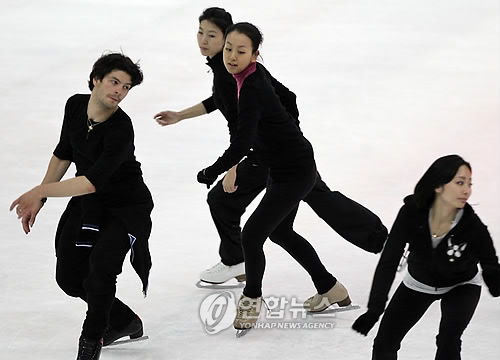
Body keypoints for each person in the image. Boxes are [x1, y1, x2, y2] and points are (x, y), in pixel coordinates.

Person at [154, 7, 388, 287]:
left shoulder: (230, 73)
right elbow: (231, 100)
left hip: (268, 157)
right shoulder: (233, 70)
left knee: (223, 201)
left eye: (212, 35)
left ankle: (235, 262)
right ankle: (380, 244)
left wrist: (235, 165)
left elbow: (238, 125)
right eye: (200, 32)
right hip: (286, 153)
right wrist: (181, 115)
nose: (203, 40)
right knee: (315, 203)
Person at [194, 21, 358, 329]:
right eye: (229, 48)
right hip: (283, 165)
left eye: (241, 51)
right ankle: (330, 287)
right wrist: (286, 134)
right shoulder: (250, 77)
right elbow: (290, 97)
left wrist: (213, 171)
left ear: (254, 55)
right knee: (280, 232)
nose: (232, 56)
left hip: (294, 171)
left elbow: (241, 142)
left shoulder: (253, 87)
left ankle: (252, 298)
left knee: (252, 234)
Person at [10, 53, 154, 360]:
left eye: (126, 87)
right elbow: (64, 152)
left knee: (101, 270)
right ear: (96, 80)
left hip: (126, 206)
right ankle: (122, 320)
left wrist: (39, 190)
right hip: (91, 203)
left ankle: (90, 345)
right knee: (70, 277)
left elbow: (91, 181)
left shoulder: (121, 128)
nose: (119, 91)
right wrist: (42, 196)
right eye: (115, 82)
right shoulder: (75, 105)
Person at [352, 155, 500, 359]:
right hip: (418, 284)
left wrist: (495, 281)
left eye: (469, 184)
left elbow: (491, 265)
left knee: (448, 341)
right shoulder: (410, 213)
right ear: (438, 185)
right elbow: (389, 260)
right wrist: (375, 309)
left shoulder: (471, 223)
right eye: (459, 183)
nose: (467, 190)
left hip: (462, 286)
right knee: (384, 345)